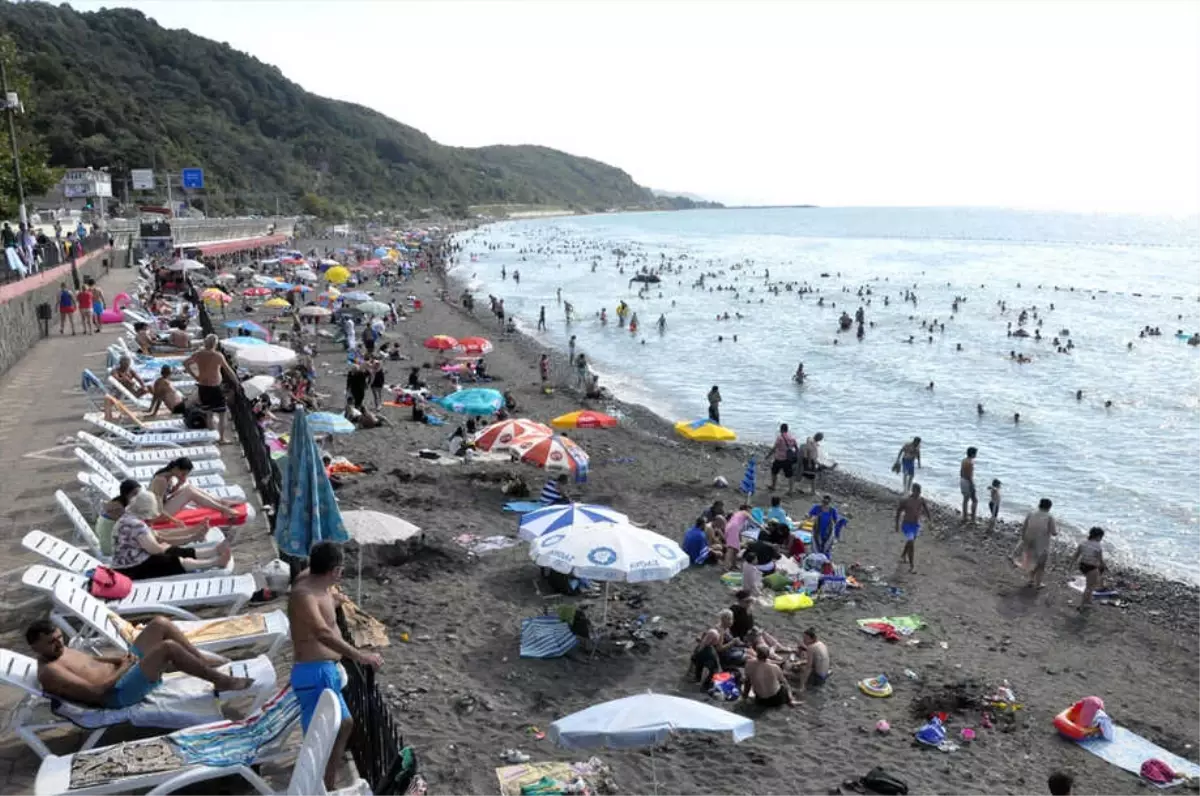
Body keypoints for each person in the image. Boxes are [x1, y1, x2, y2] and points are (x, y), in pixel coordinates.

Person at [288, 542, 384, 790]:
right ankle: (320, 785)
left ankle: (327, 783)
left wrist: (334, 600)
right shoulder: (304, 594)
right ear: (336, 571)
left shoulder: (317, 584)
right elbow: (321, 632)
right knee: (323, 739)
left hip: (323, 672)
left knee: (343, 726)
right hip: (314, 672)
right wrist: (360, 656)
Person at [26, 618, 252, 710]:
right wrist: (124, 668)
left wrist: (120, 660)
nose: (59, 644)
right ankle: (221, 681)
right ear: (35, 647)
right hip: (119, 693)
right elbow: (96, 691)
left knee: (159, 624)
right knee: (168, 648)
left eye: (59, 637)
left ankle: (199, 661)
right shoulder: (51, 672)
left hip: (123, 672)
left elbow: (93, 661)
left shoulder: (61, 651)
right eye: (51, 642)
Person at [111, 490, 230, 579]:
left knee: (170, 550)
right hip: (132, 569)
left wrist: (189, 536)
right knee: (174, 559)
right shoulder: (137, 525)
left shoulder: (127, 519)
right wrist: (165, 547)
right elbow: (155, 549)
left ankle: (213, 551)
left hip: (126, 565)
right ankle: (215, 562)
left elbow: (157, 538)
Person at [182, 335, 236, 444]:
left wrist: (195, 376)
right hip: (215, 387)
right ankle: (221, 438)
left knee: (209, 414)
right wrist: (237, 383)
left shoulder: (199, 354)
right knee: (222, 414)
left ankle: (212, 436)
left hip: (203, 386)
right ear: (215, 344)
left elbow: (185, 363)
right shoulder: (218, 356)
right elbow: (228, 370)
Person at [149, 457, 242, 521]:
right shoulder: (161, 480)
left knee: (189, 487)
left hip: (160, 508)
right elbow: (158, 506)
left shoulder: (168, 475)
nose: (184, 476)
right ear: (176, 468)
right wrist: (175, 521)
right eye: (183, 474)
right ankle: (223, 509)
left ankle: (222, 502)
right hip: (156, 515)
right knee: (189, 492)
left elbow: (168, 493)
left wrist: (179, 484)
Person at [1014, 498, 1057, 588]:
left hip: (1030, 541)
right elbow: (1053, 532)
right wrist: (1057, 532)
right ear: (1049, 507)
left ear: (1039, 505)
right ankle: (1038, 583)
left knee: (1032, 561)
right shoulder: (1049, 517)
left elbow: (1024, 527)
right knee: (1041, 565)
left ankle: (1030, 580)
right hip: (1042, 544)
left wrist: (1023, 539)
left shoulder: (1031, 514)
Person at [95, 478, 141, 557]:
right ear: (126, 493)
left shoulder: (119, 502)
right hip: (111, 550)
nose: (138, 496)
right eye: (135, 493)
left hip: (110, 542)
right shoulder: (119, 508)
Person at [895, 483, 932, 573]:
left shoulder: (921, 500)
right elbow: (898, 511)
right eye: (917, 491)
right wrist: (896, 524)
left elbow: (926, 510)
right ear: (913, 491)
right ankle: (912, 565)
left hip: (916, 525)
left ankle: (903, 555)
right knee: (911, 542)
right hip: (907, 525)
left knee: (910, 542)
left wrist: (930, 520)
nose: (919, 493)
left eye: (920, 492)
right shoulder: (906, 500)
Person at [1069, 527, 1106, 609]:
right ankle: (1082, 605)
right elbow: (1100, 559)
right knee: (1089, 586)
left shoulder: (1083, 543)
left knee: (1092, 584)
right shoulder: (1098, 546)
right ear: (1098, 536)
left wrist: (1071, 565)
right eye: (1101, 537)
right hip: (1091, 567)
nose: (1101, 539)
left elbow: (1076, 555)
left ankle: (1088, 601)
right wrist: (1104, 566)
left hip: (1082, 565)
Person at [769, 423, 799, 493]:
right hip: (788, 460)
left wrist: (768, 455)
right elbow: (797, 449)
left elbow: (774, 448)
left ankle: (773, 486)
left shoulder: (780, 438)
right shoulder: (792, 438)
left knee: (774, 472)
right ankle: (790, 490)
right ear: (787, 430)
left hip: (779, 459)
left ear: (781, 429)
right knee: (790, 475)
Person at [959, 446, 979, 523]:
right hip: (967, 481)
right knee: (975, 500)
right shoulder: (970, 463)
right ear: (973, 454)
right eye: (976, 453)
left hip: (962, 480)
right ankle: (973, 519)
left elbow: (961, 472)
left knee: (965, 500)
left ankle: (964, 517)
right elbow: (970, 476)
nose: (976, 455)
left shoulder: (964, 460)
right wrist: (972, 485)